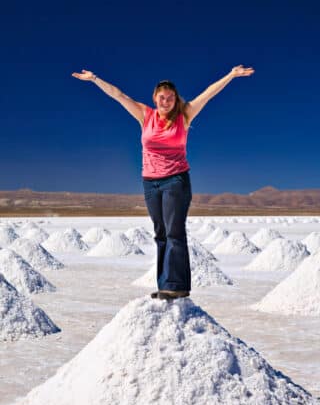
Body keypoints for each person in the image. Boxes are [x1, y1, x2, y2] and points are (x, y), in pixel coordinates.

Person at [72, 65, 255, 300]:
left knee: (174, 233)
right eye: (161, 97)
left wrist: (231, 75)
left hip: (176, 180)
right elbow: (119, 95)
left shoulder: (184, 116)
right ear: (155, 98)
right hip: (150, 183)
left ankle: (177, 286)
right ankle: (164, 285)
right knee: (160, 234)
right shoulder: (144, 115)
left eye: (170, 97)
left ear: (175, 99)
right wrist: (95, 79)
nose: (166, 101)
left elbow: (208, 93)